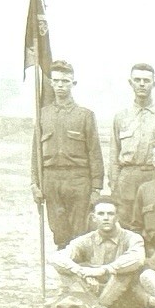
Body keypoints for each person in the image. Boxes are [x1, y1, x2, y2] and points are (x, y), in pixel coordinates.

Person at [32, 59, 106, 248]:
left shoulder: (85, 115)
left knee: (80, 233)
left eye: (65, 81)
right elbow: (36, 153)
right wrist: (34, 183)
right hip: (51, 180)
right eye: (56, 81)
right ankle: (63, 274)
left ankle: (80, 273)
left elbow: (95, 153)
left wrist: (96, 188)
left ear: (73, 83)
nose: (60, 86)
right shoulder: (43, 115)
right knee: (59, 232)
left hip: (78, 180)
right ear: (51, 83)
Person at [49, 197, 147, 308]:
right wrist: (80, 271)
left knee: (125, 271)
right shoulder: (86, 240)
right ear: (93, 218)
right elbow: (56, 257)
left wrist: (104, 270)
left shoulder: (131, 238)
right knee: (65, 270)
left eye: (110, 214)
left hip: (122, 297)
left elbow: (137, 258)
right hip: (92, 290)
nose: (106, 218)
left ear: (117, 217)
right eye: (101, 214)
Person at [109, 62, 155, 217]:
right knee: (126, 222)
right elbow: (114, 155)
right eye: (137, 80)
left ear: (154, 84)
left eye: (146, 81)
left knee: (154, 222)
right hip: (127, 178)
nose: (141, 84)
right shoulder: (121, 117)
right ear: (130, 83)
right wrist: (114, 184)